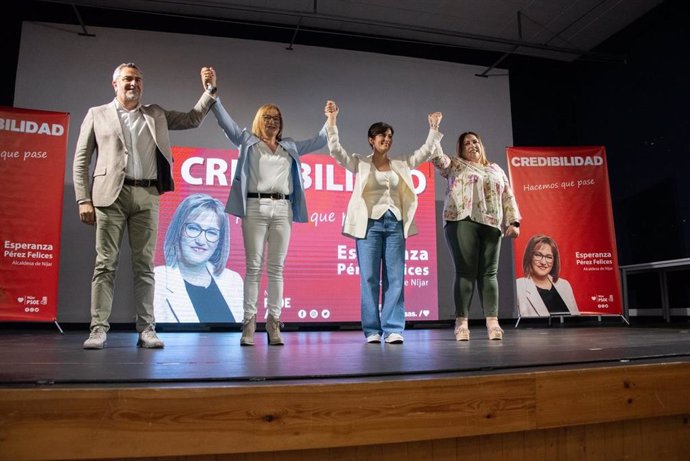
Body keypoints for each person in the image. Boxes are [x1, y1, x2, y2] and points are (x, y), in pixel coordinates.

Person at [73, 63, 217, 349]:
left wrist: (209, 90)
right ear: (114, 83)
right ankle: (98, 330)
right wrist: (83, 199)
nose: (133, 84)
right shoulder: (97, 114)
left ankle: (146, 330)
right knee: (105, 265)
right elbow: (81, 160)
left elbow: (192, 119)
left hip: (147, 195)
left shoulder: (156, 114)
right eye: (128, 79)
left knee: (145, 266)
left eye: (138, 79)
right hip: (109, 197)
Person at [203, 67, 327, 346]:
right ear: (259, 120)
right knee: (254, 268)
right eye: (267, 118)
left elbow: (321, 140)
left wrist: (330, 120)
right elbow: (225, 123)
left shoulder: (290, 147)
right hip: (255, 208)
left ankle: (274, 323)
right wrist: (212, 92)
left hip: (282, 209)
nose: (272, 122)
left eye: (276, 118)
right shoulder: (247, 141)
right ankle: (249, 324)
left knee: (277, 268)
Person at [324, 100, 443, 344]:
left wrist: (433, 129)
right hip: (368, 226)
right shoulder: (360, 162)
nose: (387, 139)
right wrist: (332, 121)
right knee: (369, 278)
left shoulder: (401, 163)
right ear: (371, 139)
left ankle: (393, 328)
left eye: (389, 136)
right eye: (382, 135)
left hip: (395, 225)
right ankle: (372, 331)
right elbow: (336, 150)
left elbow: (426, 152)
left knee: (396, 278)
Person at [431, 131, 521, 341]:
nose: (472, 145)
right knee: (466, 272)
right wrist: (434, 132)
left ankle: (493, 322)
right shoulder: (454, 164)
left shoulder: (495, 169)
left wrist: (514, 222)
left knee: (489, 274)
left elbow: (508, 195)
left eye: (475, 141)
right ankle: (461, 323)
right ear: (460, 149)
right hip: (462, 220)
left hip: (491, 223)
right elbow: (437, 159)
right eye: (466, 143)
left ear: (481, 145)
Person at [154, 194, 244, 323]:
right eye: (193, 228)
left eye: (212, 232)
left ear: (220, 240)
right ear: (178, 230)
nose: (201, 240)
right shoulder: (157, 280)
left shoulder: (234, 280)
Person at [516, 234, 579, 317]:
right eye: (538, 255)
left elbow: (576, 320)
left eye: (549, 257)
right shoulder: (518, 287)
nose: (543, 262)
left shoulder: (565, 285)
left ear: (554, 261)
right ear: (529, 256)